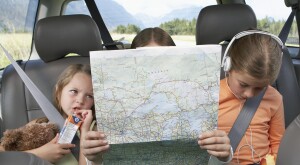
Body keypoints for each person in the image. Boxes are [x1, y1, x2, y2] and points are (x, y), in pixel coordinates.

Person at [198, 30, 285, 165]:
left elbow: (278, 144)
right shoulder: (209, 95)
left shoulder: (274, 98)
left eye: (260, 88)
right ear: (227, 66)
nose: (249, 94)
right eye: (243, 84)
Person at [24, 64, 110, 165]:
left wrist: (84, 132)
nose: (80, 100)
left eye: (89, 96)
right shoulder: (38, 125)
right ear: (58, 92)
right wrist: (39, 154)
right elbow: (4, 155)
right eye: (74, 91)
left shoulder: (97, 132)